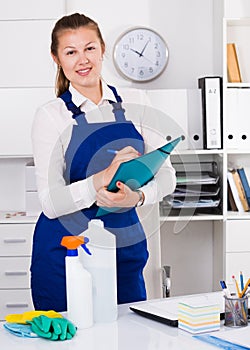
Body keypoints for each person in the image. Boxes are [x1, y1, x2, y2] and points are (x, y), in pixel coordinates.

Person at [30, 12, 176, 311]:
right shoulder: (50, 116)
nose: (82, 60)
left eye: (89, 48)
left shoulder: (137, 102)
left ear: (102, 48)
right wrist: (100, 179)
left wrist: (138, 197)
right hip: (66, 253)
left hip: (125, 246)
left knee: (130, 336)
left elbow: (168, 175)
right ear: (56, 58)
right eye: (70, 52)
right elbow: (50, 202)